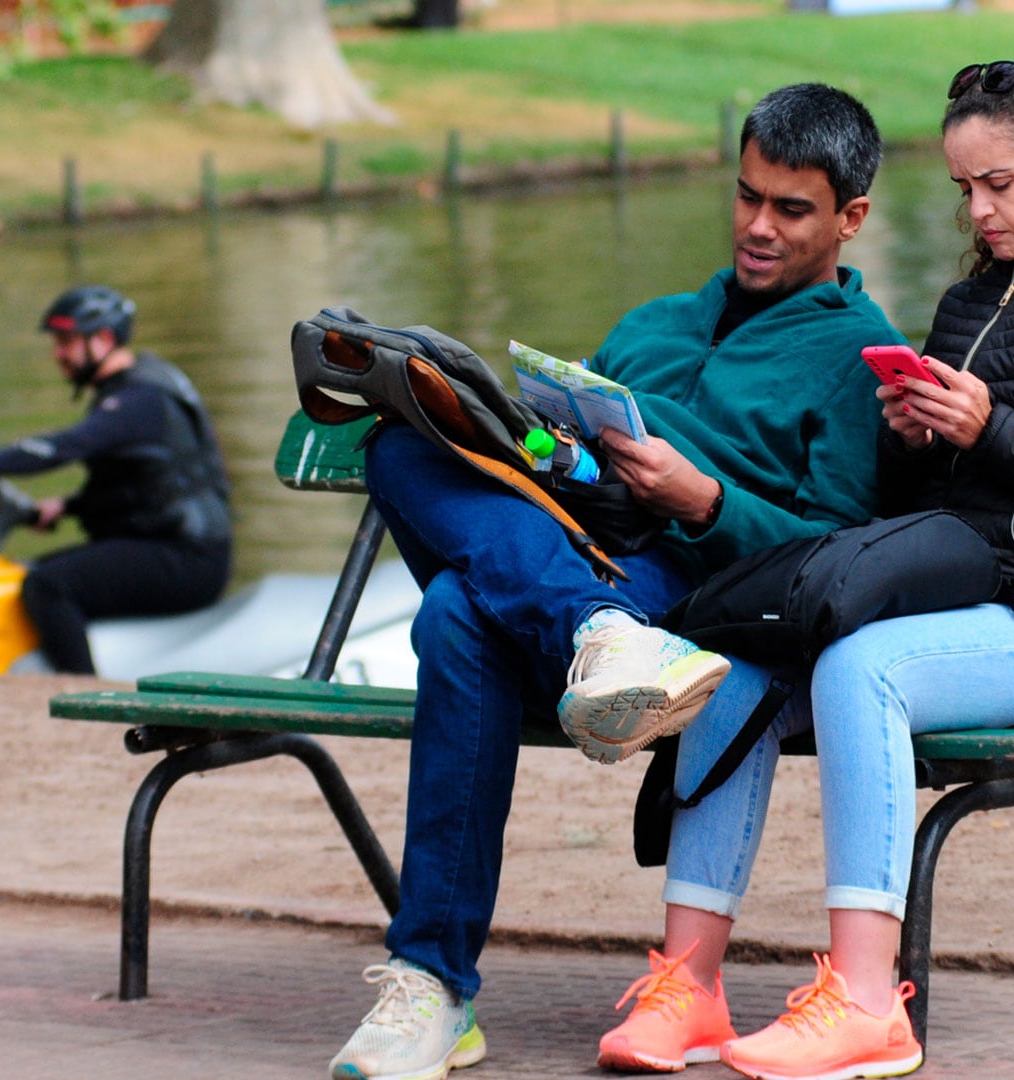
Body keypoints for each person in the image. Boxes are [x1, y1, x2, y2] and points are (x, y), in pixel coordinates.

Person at [596, 62, 1014, 1080]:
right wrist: (914, 439)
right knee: (737, 666)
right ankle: (690, 985)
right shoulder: (973, 298)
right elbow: (919, 507)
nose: (979, 210)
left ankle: (863, 999)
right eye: (964, 189)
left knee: (861, 669)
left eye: (999, 185)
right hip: (964, 600)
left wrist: (991, 427)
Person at [330, 84, 905, 1080]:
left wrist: (705, 498)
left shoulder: (855, 360)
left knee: (455, 617)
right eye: (746, 196)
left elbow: (836, 548)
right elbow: (552, 450)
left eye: (790, 209)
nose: (757, 227)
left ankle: (434, 988)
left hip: (687, 584)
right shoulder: (656, 322)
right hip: (570, 538)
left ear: (851, 218)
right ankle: (589, 628)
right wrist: (526, 442)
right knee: (395, 447)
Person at [0, 285, 231, 675]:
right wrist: (66, 507)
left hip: (188, 559)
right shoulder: (137, 388)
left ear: (104, 340)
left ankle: (83, 691)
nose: (57, 353)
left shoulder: (138, 400)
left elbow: (65, 446)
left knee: (47, 586)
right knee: (25, 572)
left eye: (66, 341)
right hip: (176, 547)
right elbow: (141, 484)